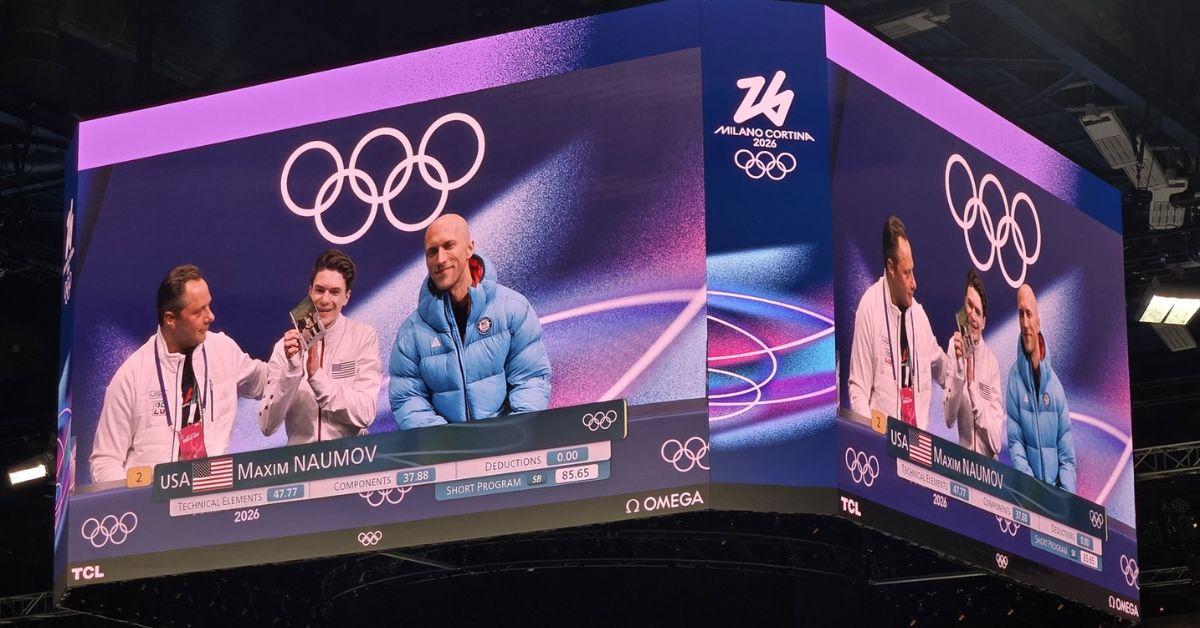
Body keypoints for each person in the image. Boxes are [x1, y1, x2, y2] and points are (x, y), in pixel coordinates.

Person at [90, 265, 268, 483]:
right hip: (154, 506)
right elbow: (105, 460)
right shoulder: (131, 377)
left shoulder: (223, 350)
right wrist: (134, 503)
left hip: (212, 496)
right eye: (197, 311)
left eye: (209, 306)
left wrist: (294, 359)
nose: (210, 316)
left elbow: (267, 383)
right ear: (170, 319)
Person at [389, 214, 551, 429]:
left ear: (469, 248)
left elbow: (531, 380)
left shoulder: (512, 307)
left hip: (509, 446)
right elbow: (407, 399)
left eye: (449, 246)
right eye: (432, 252)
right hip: (445, 451)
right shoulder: (411, 331)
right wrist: (444, 443)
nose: (440, 259)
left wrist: (514, 436)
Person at [259, 249, 382, 444]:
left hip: (351, 462)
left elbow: (366, 413)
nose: (325, 300)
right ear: (309, 291)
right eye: (319, 290)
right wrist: (292, 371)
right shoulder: (285, 347)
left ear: (347, 297)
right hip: (301, 466)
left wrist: (316, 376)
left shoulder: (363, 337)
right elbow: (267, 425)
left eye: (334, 292)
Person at [847, 215, 949, 430]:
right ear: (891, 268)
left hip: (917, 449)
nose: (914, 283)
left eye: (913, 271)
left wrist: (959, 362)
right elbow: (858, 390)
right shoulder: (870, 307)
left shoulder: (919, 317)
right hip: (882, 445)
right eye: (907, 273)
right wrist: (873, 440)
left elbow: (945, 373)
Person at [1005, 284, 1076, 493]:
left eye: (1029, 314)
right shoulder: (1014, 380)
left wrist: (1066, 501)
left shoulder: (1055, 387)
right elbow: (1015, 444)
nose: (1025, 323)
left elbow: (1067, 456)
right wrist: (1033, 492)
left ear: (1038, 322)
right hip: (1031, 501)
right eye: (1020, 315)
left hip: (1057, 502)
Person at [943, 270, 1004, 458]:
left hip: (989, 473)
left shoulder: (991, 363)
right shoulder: (954, 347)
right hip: (964, 467)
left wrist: (973, 390)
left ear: (984, 322)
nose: (972, 315)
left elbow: (996, 443)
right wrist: (960, 370)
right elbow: (948, 418)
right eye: (969, 306)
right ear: (964, 305)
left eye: (978, 312)